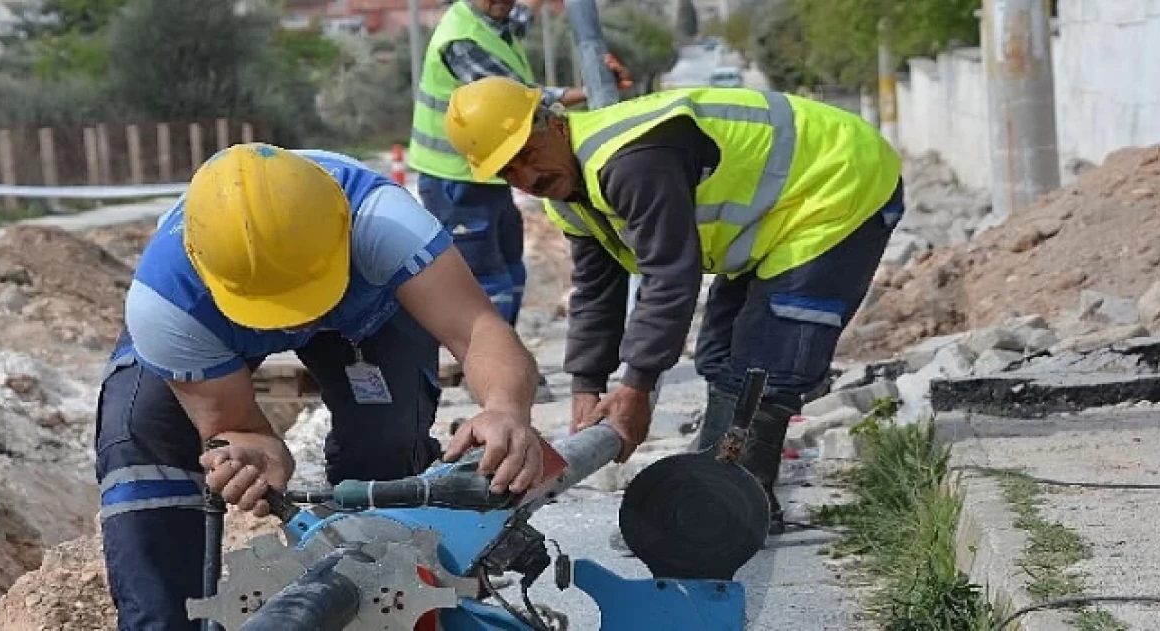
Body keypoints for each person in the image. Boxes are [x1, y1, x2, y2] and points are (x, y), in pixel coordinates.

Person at [95, 143, 547, 630]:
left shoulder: (385, 222)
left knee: (388, 453)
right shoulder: (164, 302)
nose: (301, 318)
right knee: (139, 429)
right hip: (213, 324)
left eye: (306, 296)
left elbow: (478, 330)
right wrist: (250, 455)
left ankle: (401, 600)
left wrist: (504, 409)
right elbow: (236, 426)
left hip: (368, 313)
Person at [441, 76, 904, 536]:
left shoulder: (630, 162)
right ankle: (724, 496)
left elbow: (670, 275)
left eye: (526, 153)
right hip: (778, 218)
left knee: (769, 360)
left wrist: (636, 388)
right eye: (508, 171)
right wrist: (587, 386)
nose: (527, 178)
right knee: (720, 355)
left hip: (840, 182)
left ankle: (731, 512)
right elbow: (596, 292)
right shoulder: (568, 194)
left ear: (555, 124)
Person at [407, 0, 631, 401]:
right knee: (485, 281)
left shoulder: (497, 18)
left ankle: (505, 367)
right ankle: (492, 382)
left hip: (493, 167)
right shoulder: (462, 39)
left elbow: (524, 15)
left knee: (511, 272)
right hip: (455, 179)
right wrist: (591, 90)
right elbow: (521, 98)